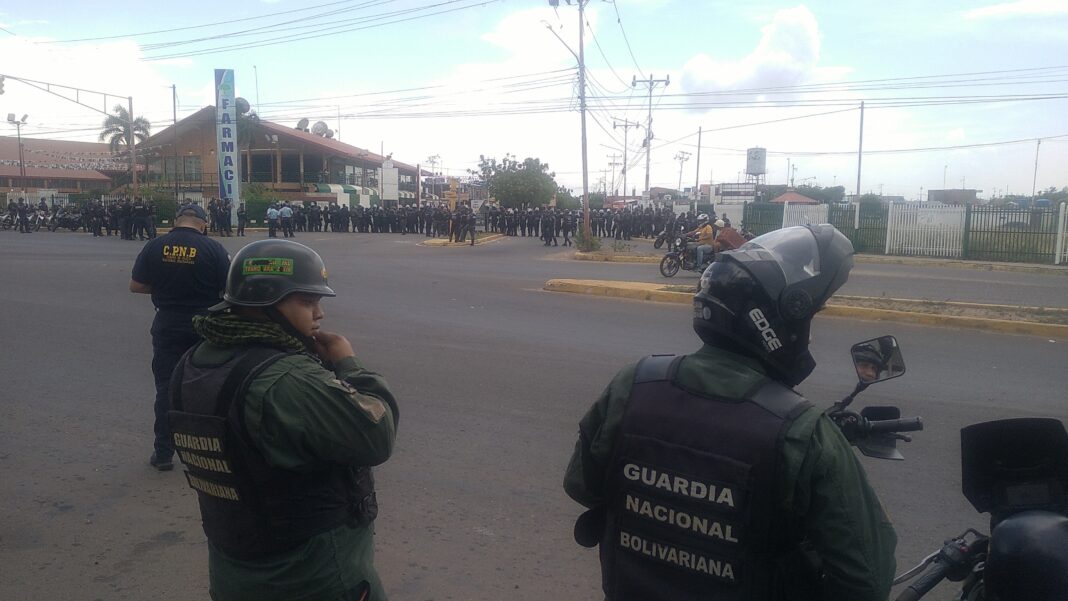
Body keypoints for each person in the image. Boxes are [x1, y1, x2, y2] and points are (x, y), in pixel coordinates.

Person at [563, 224, 897, 601]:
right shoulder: (804, 433)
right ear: (776, 320)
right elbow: (867, 580)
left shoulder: (633, 384)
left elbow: (580, 486)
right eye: (810, 319)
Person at [168, 238, 398, 601]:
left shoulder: (193, 361)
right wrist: (349, 364)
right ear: (265, 304)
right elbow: (377, 434)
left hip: (234, 573)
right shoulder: (287, 379)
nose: (319, 314)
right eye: (307, 301)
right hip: (313, 578)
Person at [130, 204, 230, 471]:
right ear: (203, 224)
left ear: (175, 221)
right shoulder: (214, 249)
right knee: (208, 387)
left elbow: (136, 285)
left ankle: (163, 452)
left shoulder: (155, 246)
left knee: (166, 388)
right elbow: (228, 289)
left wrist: (164, 289)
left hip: (168, 323)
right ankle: (209, 453)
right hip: (205, 326)